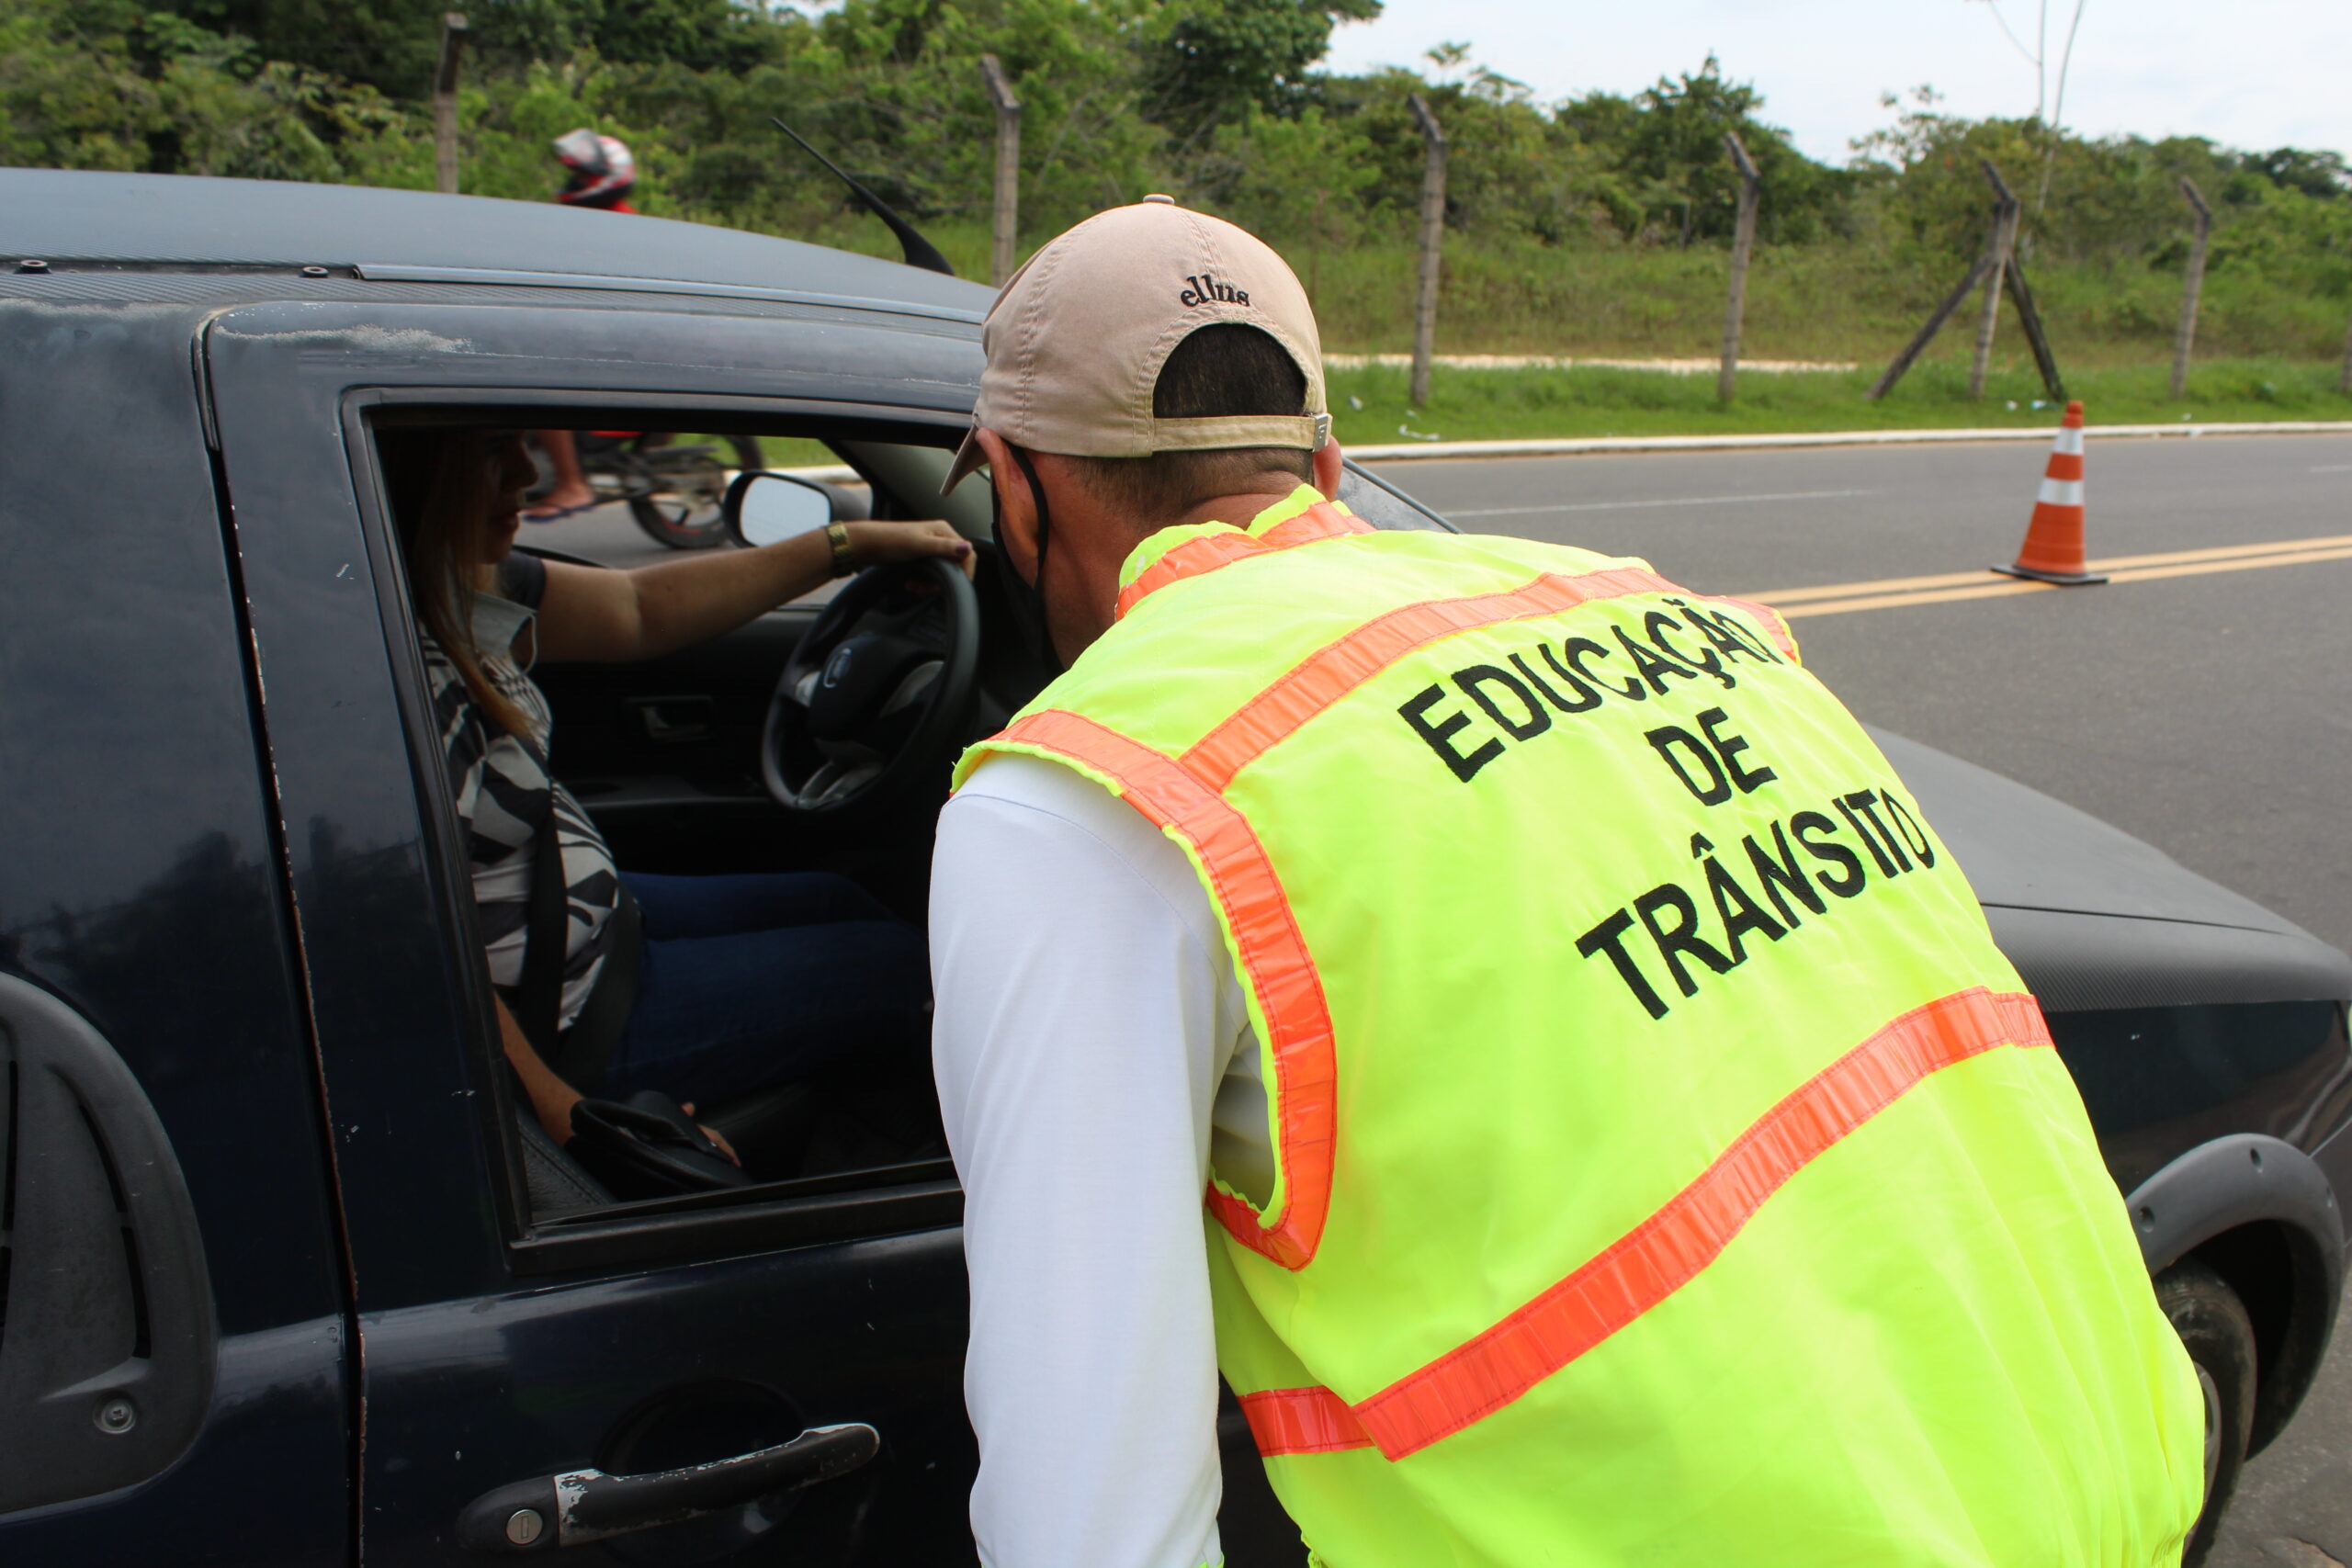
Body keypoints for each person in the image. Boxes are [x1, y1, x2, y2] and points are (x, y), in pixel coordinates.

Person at [927, 199, 2204, 1567]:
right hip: (2110, 1488)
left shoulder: (1100, 789)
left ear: (1008, 488)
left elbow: (1092, 1517)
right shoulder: (1673, 618)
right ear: (1330, 464)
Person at [379, 426, 967, 1156]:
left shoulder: (448, 587)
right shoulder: (384, 675)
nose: (524, 477)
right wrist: (565, 1119)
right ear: (415, 475)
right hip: (570, 1021)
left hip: (595, 930)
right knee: (904, 971)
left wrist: (849, 543)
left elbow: (637, 608)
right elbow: (423, 951)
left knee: (838, 898)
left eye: (520, 445)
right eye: (488, 452)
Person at [527, 130, 641, 521]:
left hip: (617, 343)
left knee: (541, 384)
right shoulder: (589, 221)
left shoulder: (619, 227)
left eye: (578, 177)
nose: (571, 184)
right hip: (598, 336)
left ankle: (572, 485)